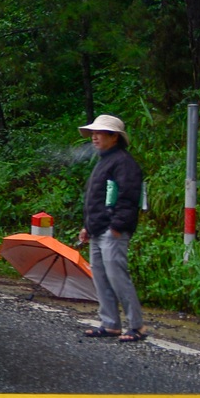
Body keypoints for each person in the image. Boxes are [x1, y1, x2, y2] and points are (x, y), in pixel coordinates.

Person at [77, 114, 145, 342]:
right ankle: (110, 323)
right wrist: (87, 226)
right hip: (98, 229)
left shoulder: (124, 162)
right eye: (93, 133)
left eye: (99, 133)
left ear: (114, 137)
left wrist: (117, 226)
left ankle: (136, 326)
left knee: (118, 277)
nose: (94, 137)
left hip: (112, 230)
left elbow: (129, 196)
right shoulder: (104, 161)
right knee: (101, 277)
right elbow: (97, 199)